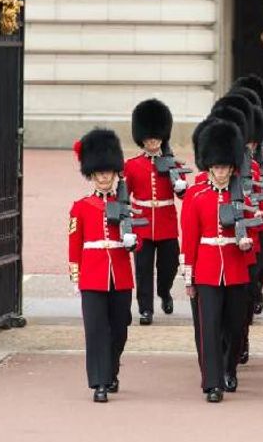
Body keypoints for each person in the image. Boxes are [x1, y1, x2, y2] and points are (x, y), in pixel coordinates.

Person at [180, 121, 254, 403]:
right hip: (207, 270)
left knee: (236, 327)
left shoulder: (242, 197)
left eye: (225, 167)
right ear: (209, 167)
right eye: (217, 167)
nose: (221, 172)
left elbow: (253, 233)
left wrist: (246, 245)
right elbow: (189, 239)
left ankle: (229, 368)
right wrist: (189, 276)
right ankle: (212, 382)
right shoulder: (196, 197)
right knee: (209, 326)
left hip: (235, 268)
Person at [68, 128, 136, 403]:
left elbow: (137, 242)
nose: (104, 177)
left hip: (120, 275)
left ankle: (112, 369)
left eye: (108, 172)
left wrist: (134, 240)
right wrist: (77, 276)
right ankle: (99, 382)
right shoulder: (81, 207)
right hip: (93, 276)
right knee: (96, 331)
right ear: (92, 175)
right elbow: (74, 244)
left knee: (119, 328)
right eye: (99, 173)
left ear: (115, 173)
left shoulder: (126, 206)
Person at [124, 99, 186, 325]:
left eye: (156, 137)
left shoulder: (172, 163)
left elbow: (182, 194)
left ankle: (165, 291)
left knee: (169, 265)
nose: (152, 142)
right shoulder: (131, 165)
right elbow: (124, 196)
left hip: (166, 222)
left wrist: (180, 186)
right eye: (149, 138)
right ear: (142, 138)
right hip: (141, 223)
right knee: (142, 269)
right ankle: (145, 309)